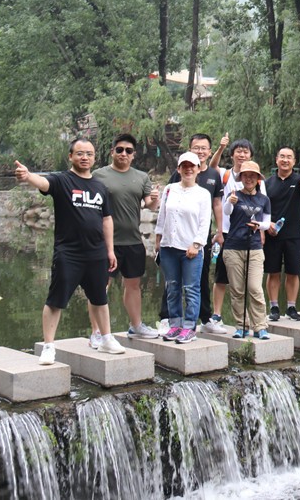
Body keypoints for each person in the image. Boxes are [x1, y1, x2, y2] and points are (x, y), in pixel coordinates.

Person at [14, 139, 126, 364]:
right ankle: (48, 347)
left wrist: (110, 250)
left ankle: (106, 338)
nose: (85, 157)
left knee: (100, 298)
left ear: (95, 158)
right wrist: (28, 176)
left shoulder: (100, 187)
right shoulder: (62, 180)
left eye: (89, 154)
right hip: (69, 253)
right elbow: (43, 182)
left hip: (96, 253)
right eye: (80, 153)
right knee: (56, 299)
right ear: (71, 156)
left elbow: (106, 220)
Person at [92, 133, 159, 345]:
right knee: (100, 286)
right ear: (112, 151)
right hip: (105, 243)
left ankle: (136, 325)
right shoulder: (98, 175)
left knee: (133, 285)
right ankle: (96, 332)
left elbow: (150, 205)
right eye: (119, 150)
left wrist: (154, 199)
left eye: (128, 151)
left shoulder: (141, 177)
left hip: (133, 241)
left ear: (134, 154)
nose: (124, 154)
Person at [160, 133, 224, 332]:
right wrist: (159, 238)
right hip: (172, 241)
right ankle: (168, 319)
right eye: (196, 147)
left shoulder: (213, 176)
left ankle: (202, 319)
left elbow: (216, 205)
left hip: (198, 239)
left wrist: (219, 231)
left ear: (209, 151)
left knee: (198, 280)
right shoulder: (174, 182)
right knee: (172, 283)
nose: (200, 151)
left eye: (204, 148)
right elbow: (164, 211)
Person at [208, 137, 267, 333]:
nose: (242, 155)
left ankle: (258, 324)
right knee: (223, 277)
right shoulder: (225, 174)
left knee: (253, 285)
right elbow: (211, 167)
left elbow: (263, 210)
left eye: (245, 151)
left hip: (251, 236)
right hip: (227, 233)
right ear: (232, 154)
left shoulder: (259, 184)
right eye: (238, 151)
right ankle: (218, 314)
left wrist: (261, 231)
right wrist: (220, 147)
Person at [155, 152, 212, 344]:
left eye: (192, 166)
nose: (188, 169)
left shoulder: (203, 194)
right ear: (178, 169)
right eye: (184, 166)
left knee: (191, 289)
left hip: (190, 249)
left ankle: (189, 327)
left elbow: (204, 222)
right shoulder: (170, 189)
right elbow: (162, 216)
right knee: (172, 287)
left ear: (198, 169)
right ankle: (175, 324)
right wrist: (158, 239)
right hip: (169, 246)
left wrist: (196, 244)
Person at [222, 160, 271, 338]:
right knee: (237, 289)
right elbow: (226, 212)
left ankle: (260, 326)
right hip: (233, 247)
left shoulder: (264, 199)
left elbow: (267, 223)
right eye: (245, 175)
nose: (249, 179)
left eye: (252, 176)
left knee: (255, 288)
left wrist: (259, 225)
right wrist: (230, 202)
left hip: (255, 247)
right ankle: (241, 325)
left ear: (258, 179)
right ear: (241, 178)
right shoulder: (234, 195)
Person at [264, 147, 300, 322]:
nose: (285, 160)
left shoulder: (299, 180)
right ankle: (274, 307)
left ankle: (291, 307)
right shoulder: (267, 183)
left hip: (294, 234)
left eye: (289, 157)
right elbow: (262, 208)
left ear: (294, 161)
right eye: (282, 157)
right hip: (272, 234)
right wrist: (267, 225)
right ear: (276, 159)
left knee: (293, 272)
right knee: (273, 272)